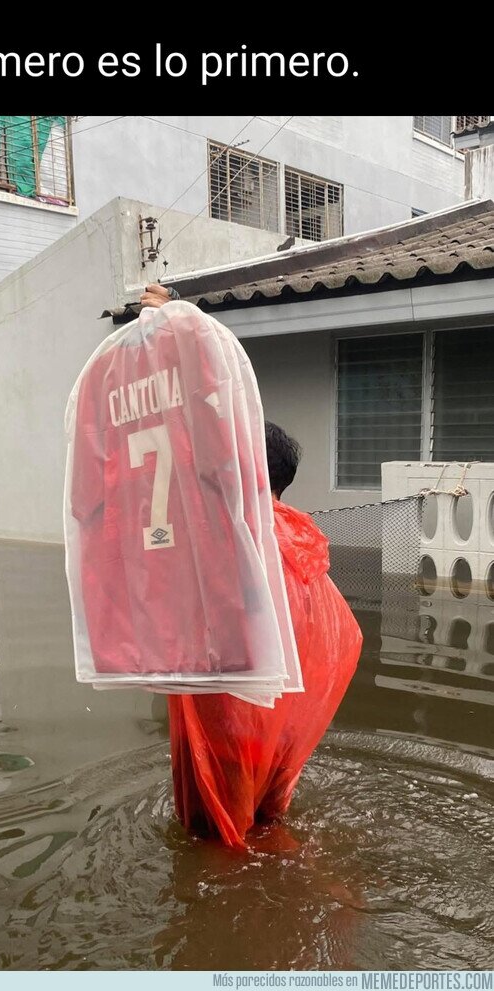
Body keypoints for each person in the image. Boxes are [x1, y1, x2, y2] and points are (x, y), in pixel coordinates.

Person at [139, 283, 363, 848]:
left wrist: (168, 334)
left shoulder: (228, 540)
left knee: (218, 846)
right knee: (267, 827)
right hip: (283, 736)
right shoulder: (303, 545)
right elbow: (343, 643)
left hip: (230, 730)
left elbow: (175, 436)